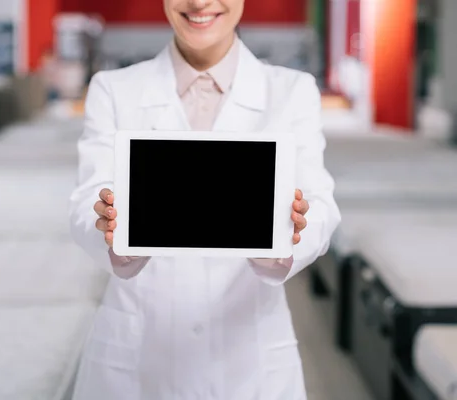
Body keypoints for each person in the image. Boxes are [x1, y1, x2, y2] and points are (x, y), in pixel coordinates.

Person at [68, 0, 341, 398]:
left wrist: (292, 234)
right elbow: (85, 201)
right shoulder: (113, 90)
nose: (199, 2)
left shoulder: (291, 91)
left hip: (249, 363)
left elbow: (320, 205)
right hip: (139, 355)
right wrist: (106, 226)